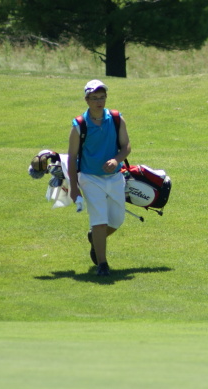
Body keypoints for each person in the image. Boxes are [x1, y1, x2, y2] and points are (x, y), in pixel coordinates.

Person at [67, 80, 131, 276]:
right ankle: (102, 264)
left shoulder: (116, 118)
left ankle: (95, 238)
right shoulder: (79, 125)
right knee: (99, 220)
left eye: (102, 97)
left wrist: (116, 159)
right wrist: (74, 188)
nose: (98, 102)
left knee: (117, 220)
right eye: (94, 98)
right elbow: (72, 157)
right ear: (87, 100)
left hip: (114, 177)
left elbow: (126, 146)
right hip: (90, 177)